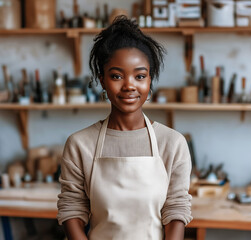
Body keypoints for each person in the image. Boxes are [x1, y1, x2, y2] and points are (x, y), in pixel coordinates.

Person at [57, 16, 192, 240]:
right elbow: (72, 209)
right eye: (117, 76)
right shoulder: (80, 144)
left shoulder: (172, 143)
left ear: (150, 81)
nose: (129, 85)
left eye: (140, 76)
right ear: (102, 80)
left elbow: (176, 209)